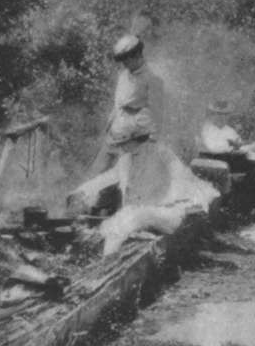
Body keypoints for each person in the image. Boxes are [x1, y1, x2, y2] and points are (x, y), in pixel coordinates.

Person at [68, 112, 219, 217]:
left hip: (164, 212)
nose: (120, 147)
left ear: (135, 139)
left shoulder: (162, 152)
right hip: (134, 214)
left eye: (123, 142)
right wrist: (82, 191)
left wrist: (173, 201)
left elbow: (180, 176)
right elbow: (108, 177)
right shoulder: (126, 158)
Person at [87, 34, 165, 178]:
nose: (124, 63)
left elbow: (157, 111)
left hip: (136, 140)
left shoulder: (152, 79)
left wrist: (152, 140)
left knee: (126, 181)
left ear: (137, 55)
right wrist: (109, 125)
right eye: (122, 60)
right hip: (115, 135)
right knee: (94, 175)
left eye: (126, 59)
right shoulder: (123, 75)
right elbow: (117, 104)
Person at [198, 100, 255, 220]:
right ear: (213, 115)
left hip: (231, 159)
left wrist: (251, 146)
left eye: (224, 115)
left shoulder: (229, 130)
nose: (222, 117)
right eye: (219, 114)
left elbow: (239, 145)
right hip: (216, 160)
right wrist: (231, 148)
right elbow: (213, 148)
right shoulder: (208, 129)